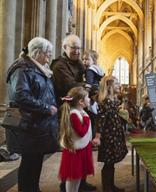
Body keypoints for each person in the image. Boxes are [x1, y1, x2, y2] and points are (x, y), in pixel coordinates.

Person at [6, 37, 58, 192]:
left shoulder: (39, 69)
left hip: (38, 125)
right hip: (29, 125)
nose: (49, 55)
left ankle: (33, 188)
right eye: (47, 52)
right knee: (29, 162)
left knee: (36, 161)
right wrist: (46, 108)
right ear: (37, 52)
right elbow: (20, 96)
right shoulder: (22, 69)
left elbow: (42, 92)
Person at [51, 34, 96, 192]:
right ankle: (66, 186)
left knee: (84, 148)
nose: (77, 51)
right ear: (65, 48)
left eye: (78, 48)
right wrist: (87, 86)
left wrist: (89, 85)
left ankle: (81, 182)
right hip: (68, 110)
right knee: (73, 151)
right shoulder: (59, 66)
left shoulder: (79, 64)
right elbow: (69, 87)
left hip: (81, 106)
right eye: (73, 47)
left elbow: (92, 82)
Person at [93, 75, 128, 192]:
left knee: (111, 163)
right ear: (109, 86)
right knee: (108, 164)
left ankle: (111, 186)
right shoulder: (105, 102)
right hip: (108, 138)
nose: (119, 85)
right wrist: (98, 137)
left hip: (114, 136)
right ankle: (107, 188)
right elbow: (101, 121)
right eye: (117, 84)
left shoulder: (113, 100)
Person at [58, 87, 94, 192]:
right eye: (87, 97)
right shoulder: (74, 114)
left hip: (81, 149)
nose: (89, 99)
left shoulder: (80, 111)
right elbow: (81, 132)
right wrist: (87, 119)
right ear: (81, 102)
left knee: (78, 176)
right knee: (72, 177)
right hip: (76, 151)